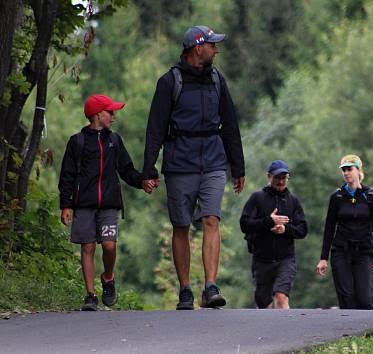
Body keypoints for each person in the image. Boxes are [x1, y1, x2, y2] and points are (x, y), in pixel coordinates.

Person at [142, 25, 245, 310]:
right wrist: (148, 169)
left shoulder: (217, 80)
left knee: (212, 219)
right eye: (212, 44)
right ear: (197, 47)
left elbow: (231, 123)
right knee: (181, 225)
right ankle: (185, 289)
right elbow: (155, 129)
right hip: (179, 162)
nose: (216, 49)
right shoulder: (169, 82)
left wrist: (238, 167)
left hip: (213, 159)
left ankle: (211, 287)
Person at [59, 94, 157, 311]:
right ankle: (91, 295)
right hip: (83, 204)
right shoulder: (78, 142)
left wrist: (142, 181)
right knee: (88, 246)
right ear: (97, 115)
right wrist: (66, 205)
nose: (113, 116)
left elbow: (126, 170)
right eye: (110, 112)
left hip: (109, 204)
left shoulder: (114, 141)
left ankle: (108, 277)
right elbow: (67, 175)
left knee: (110, 245)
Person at [315, 154, 373, 309]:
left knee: (364, 299)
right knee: (347, 297)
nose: (346, 173)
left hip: (363, 251)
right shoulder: (337, 196)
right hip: (341, 251)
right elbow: (329, 228)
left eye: (349, 169)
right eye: (343, 170)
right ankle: (347, 332)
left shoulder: (371, 196)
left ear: (358, 170)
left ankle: (367, 331)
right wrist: (323, 258)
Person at [239, 160, 308, 309]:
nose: (281, 181)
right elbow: (244, 224)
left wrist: (286, 229)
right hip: (262, 260)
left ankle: (287, 331)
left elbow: (303, 229)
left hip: (286, 259)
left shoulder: (293, 201)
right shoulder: (257, 198)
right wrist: (269, 221)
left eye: (284, 178)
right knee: (264, 305)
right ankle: (269, 331)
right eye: (277, 177)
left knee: (281, 297)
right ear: (269, 177)